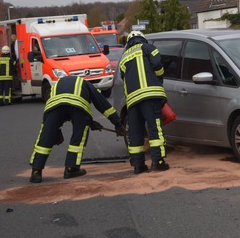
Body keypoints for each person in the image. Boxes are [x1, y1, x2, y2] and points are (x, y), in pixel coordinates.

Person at [29, 75, 126, 183]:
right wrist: (117, 123)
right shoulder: (86, 85)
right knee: (79, 134)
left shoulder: (57, 84)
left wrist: (54, 131)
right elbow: (102, 104)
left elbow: (58, 112)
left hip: (54, 106)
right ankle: (71, 168)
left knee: (45, 136)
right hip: (78, 106)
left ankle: (36, 172)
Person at [119, 30, 169, 174]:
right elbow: (158, 65)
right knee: (155, 129)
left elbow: (124, 79)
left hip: (133, 100)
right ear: (142, 39)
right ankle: (158, 162)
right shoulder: (148, 48)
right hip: (150, 96)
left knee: (135, 132)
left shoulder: (124, 57)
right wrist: (158, 79)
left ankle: (138, 166)